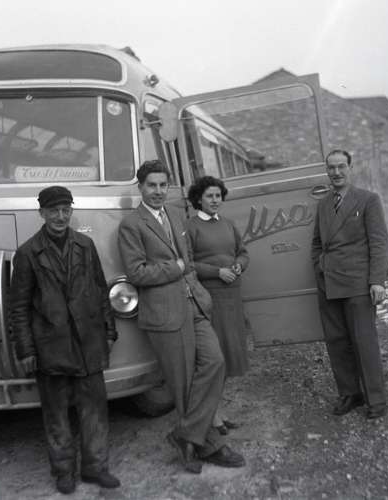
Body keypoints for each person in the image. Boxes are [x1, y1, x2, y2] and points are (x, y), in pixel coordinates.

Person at [118, 160, 245, 473]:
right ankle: (207, 446)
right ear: (140, 187)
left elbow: (187, 260)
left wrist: (195, 287)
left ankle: (185, 434)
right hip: (164, 312)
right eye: (152, 185)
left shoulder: (176, 215)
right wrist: (173, 268)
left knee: (215, 361)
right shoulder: (131, 225)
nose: (158, 191)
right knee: (184, 381)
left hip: (194, 304)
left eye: (163, 185)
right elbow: (136, 273)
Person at [9, 186, 120, 494]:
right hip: (50, 346)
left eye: (65, 210)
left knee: (94, 409)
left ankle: (95, 468)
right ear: (42, 213)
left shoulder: (85, 245)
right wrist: (26, 350)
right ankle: (63, 471)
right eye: (53, 211)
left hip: (88, 341)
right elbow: (18, 307)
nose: (60, 217)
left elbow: (100, 290)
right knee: (56, 413)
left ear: (71, 211)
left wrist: (109, 331)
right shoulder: (28, 253)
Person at [311, 149, 388, 419]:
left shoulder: (368, 199)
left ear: (350, 168)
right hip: (329, 283)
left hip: (357, 283)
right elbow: (317, 243)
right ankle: (350, 394)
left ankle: (376, 399)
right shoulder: (323, 205)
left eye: (341, 166)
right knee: (337, 341)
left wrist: (376, 281)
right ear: (326, 171)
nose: (336, 172)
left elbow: (378, 242)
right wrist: (319, 268)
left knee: (364, 343)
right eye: (331, 168)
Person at [186, 176, 249, 435]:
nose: (215, 200)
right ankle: (212, 417)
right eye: (209, 196)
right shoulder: (190, 227)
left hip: (232, 296)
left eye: (218, 196)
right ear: (198, 199)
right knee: (215, 359)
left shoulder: (228, 224)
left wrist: (239, 265)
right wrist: (217, 272)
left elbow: (243, 252)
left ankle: (217, 412)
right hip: (210, 298)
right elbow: (187, 263)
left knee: (229, 356)